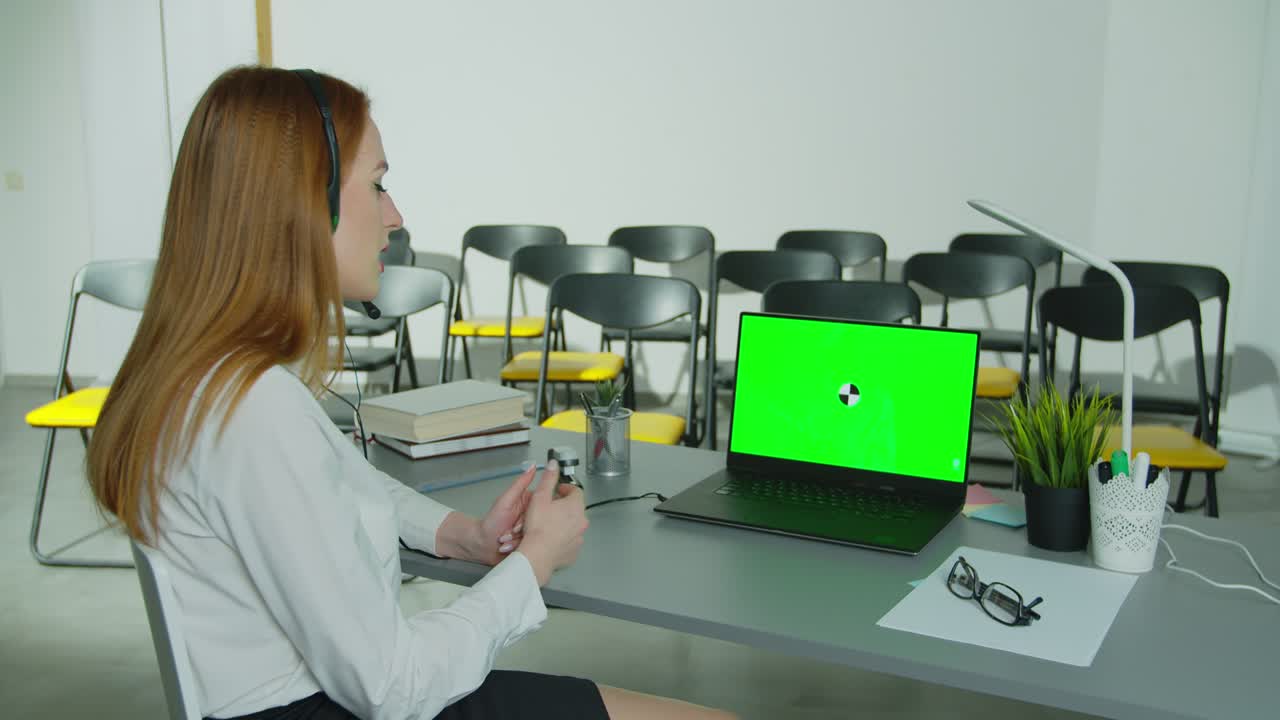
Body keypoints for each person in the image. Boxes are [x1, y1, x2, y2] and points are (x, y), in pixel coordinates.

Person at [86, 66, 735, 720]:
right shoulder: (254, 411)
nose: (395, 217)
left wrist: (462, 537)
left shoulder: (208, 378)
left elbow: (337, 487)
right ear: (305, 206)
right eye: (378, 185)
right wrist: (532, 563)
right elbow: (395, 687)